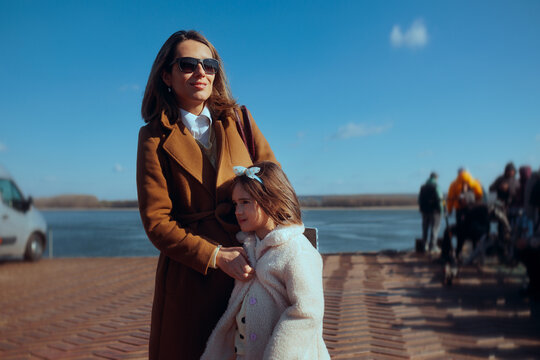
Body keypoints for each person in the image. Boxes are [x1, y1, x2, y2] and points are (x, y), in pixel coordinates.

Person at [137, 30, 277, 359]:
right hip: (192, 280)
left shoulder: (240, 120)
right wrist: (216, 257)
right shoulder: (153, 137)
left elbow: (275, 184)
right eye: (188, 64)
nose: (201, 72)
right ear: (167, 75)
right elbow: (157, 223)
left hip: (251, 269)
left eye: (209, 64)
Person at [201, 162, 330, 360]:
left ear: (271, 201)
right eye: (236, 203)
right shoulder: (249, 250)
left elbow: (307, 311)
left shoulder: (297, 250)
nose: (237, 211)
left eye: (245, 202)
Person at [446, 168, 484, 260]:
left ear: (458, 173)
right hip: (473, 209)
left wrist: (450, 209)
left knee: (460, 231)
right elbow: (480, 194)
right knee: (473, 230)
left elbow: (450, 197)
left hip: (460, 210)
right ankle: (475, 252)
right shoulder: (474, 182)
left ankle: (458, 252)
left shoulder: (454, 184)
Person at [418, 172, 444, 253]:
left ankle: (424, 246)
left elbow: (419, 199)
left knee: (425, 228)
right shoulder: (436, 186)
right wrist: (442, 209)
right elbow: (440, 198)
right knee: (435, 228)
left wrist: (422, 208)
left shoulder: (423, 187)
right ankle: (432, 246)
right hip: (435, 211)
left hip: (424, 211)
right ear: (436, 178)